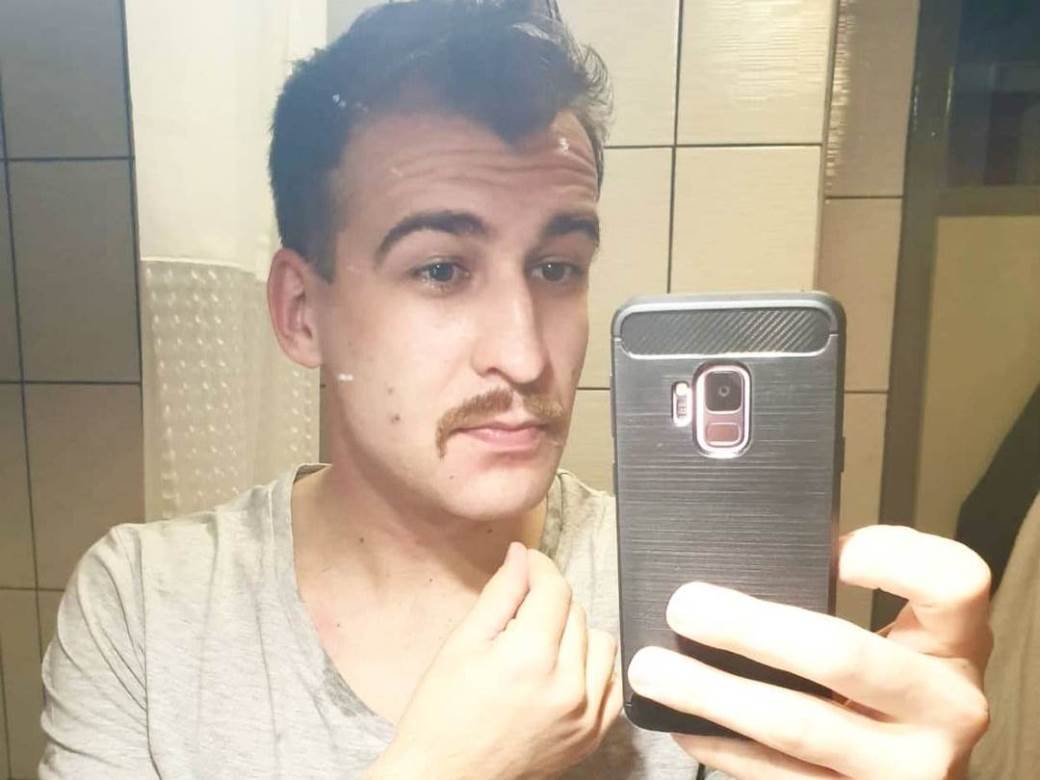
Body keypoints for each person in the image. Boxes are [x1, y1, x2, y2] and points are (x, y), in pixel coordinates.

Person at [39, 2, 992, 778]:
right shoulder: (148, 607)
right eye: (441, 270)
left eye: (557, 267)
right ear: (300, 312)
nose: (528, 357)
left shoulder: (697, 598)